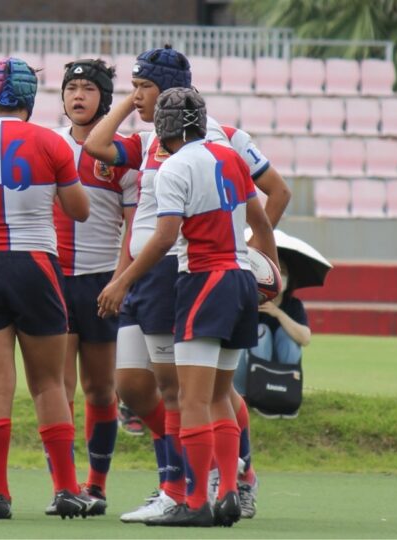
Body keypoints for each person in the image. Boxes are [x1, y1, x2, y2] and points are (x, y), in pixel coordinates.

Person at [85, 46, 291, 522]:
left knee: (188, 393)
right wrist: (260, 268)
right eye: (133, 87)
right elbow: (97, 145)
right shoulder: (164, 143)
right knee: (145, 387)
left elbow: (170, 233)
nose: (136, 97)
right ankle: (209, 483)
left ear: (173, 96)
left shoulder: (217, 144)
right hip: (183, 274)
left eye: (144, 88)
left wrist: (253, 256)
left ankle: (197, 490)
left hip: (183, 274)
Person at [0, 57, 95, 519]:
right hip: (36, 263)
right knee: (50, 383)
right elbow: (79, 210)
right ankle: (68, 489)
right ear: (30, 98)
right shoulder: (50, 141)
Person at [47, 58, 138, 514]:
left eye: (87, 88)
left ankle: (96, 485)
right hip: (54, 281)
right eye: (71, 88)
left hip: (104, 282)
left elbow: (134, 227)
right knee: (58, 389)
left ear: (105, 97)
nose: (78, 96)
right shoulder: (46, 146)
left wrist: (121, 281)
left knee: (102, 391)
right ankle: (63, 487)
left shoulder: (122, 154)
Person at [232, 258, 310, 402]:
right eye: (277, 270)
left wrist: (278, 314)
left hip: (282, 371)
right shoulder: (250, 301)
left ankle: (287, 390)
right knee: (262, 331)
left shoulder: (293, 305)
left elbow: (305, 339)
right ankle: (258, 391)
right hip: (248, 371)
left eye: (284, 272)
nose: (281, 275)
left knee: (287, 336)